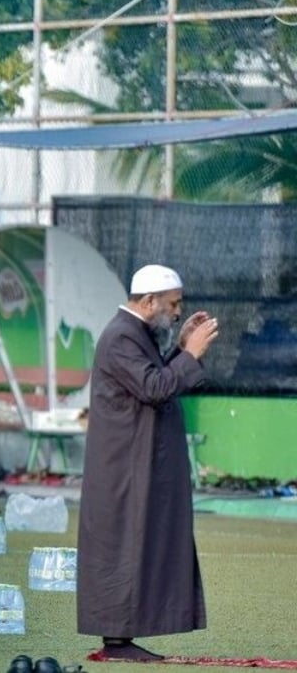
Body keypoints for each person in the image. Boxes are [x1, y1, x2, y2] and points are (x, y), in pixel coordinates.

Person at [76, 264, 220, 662]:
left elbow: (154, 376)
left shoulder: (133, 333)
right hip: (123, 470)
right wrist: (190, 354)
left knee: (141, 547)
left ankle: (123, 640)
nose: (176, 312)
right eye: (173, 305)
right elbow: (155, 387)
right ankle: (117, 642)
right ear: (150, 301)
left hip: (133, 467)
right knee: (121, 549)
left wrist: (180, 347)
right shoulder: (121, 336)